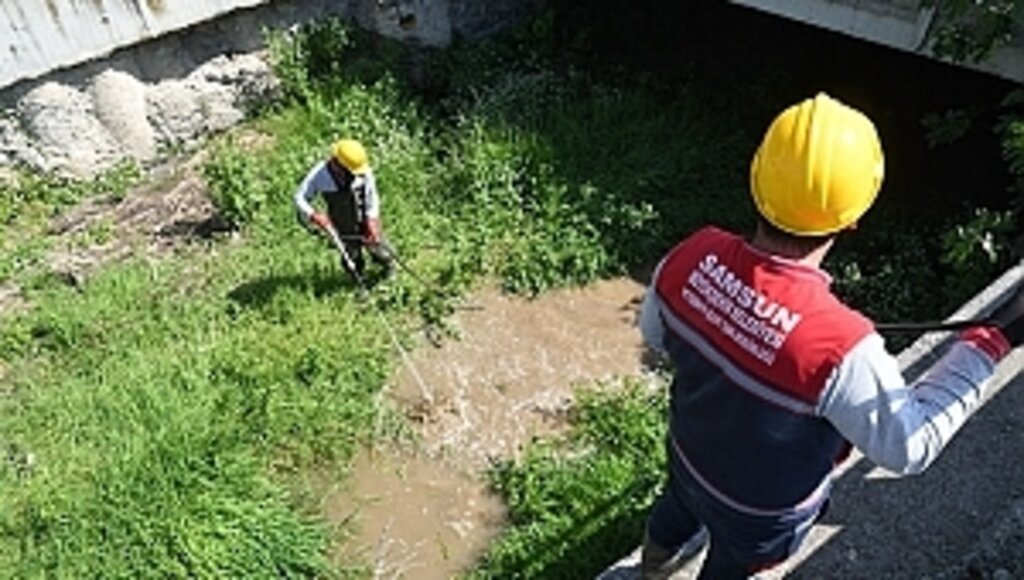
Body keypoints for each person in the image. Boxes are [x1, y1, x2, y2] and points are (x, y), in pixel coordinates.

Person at [637, 92, 1024, 579]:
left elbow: (655, 335)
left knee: (675, 511)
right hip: (762, 516)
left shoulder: (690, 256)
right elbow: (909, 448)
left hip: (689, 458)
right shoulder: (843, 349)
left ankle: (653, 565)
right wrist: (991, 342)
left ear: (757, 181)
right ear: (853, 217)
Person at [294, 138, 396, 281]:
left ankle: (389, 267)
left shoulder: (362, 170)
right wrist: (314, 215)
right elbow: (299, 197)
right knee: (350, 256)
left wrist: (372, 220)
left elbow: (372, 197)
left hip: (363, 216)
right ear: (337, 164)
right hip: (342, 224)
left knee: (380, 247)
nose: (356, 174)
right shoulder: (319, 175)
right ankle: (358, 280)